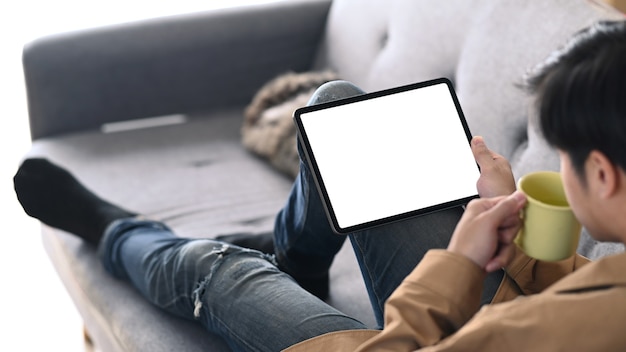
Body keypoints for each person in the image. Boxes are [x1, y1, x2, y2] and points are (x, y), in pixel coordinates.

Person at [13, 19, 626, 351]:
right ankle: (298, 256)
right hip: (497, 306)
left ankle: (114, 228)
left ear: (601, 173)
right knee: (341, 113)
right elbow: (582, 292)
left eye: (567, 157)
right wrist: (501, 218)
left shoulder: (544, 332)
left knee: (220, 271)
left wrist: (458, 260)